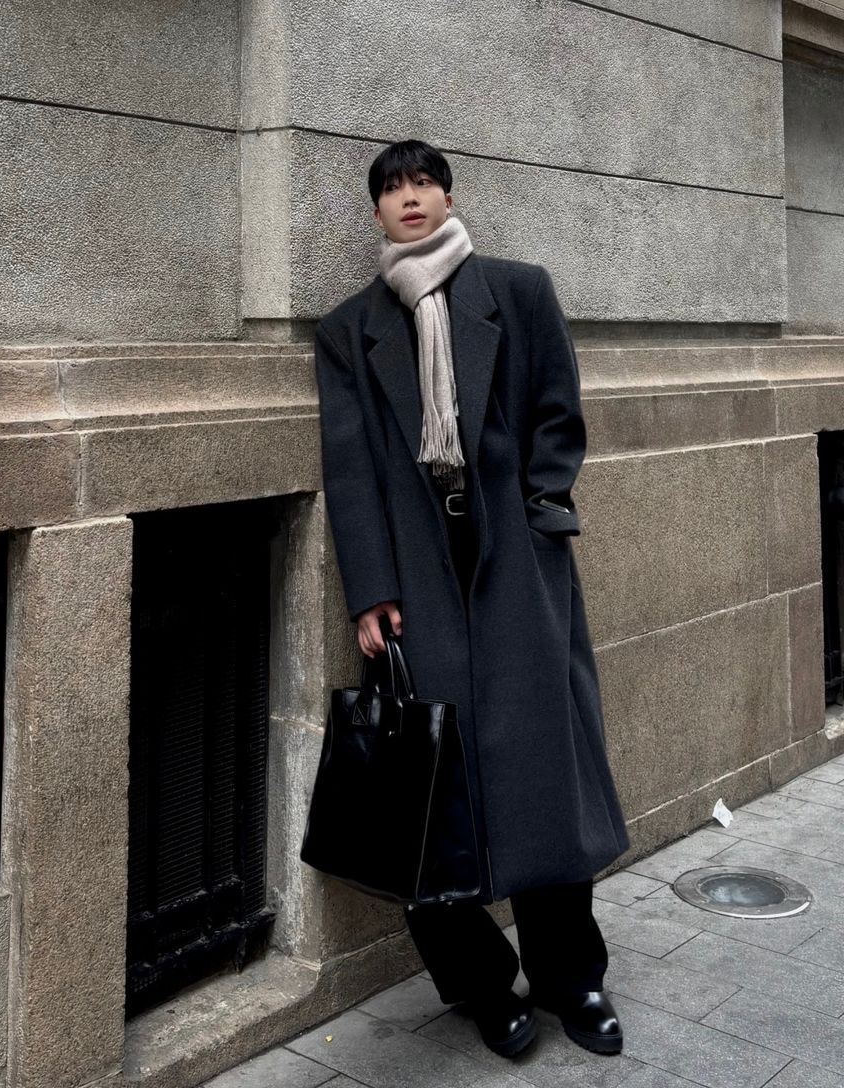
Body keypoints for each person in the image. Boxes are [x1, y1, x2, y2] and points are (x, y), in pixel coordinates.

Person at [312, 139, 631, 1059]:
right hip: (419, 581)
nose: (409, 198)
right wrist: (370, 590)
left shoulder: (518, 291)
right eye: (392, 189)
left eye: (423, 183)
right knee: (428, 797)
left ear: (449, 197)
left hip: (515, 567)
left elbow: (558, 412)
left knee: (546, 781)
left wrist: (543, 515)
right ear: (377, 212)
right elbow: (350, 467)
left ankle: (573, 979)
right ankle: (483, 988)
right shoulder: (350, 330)